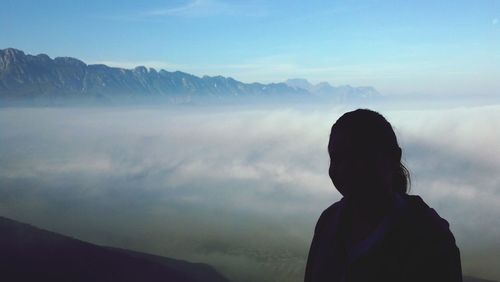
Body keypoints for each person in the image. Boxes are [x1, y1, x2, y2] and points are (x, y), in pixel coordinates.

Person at [304, 109, 462, 282]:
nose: (345, 168)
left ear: (393, 158)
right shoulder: (328, 221)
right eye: (337, 158)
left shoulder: (430, 238)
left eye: (359, 156)